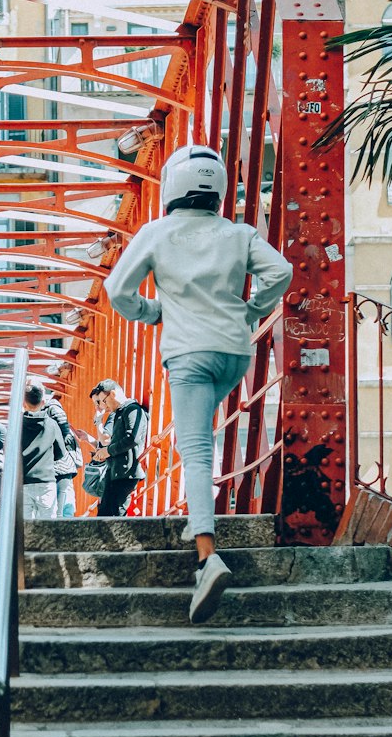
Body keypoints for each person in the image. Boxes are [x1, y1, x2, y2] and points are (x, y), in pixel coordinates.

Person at [105, 142, 293, 624]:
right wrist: (251, 311)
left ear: (172, 186)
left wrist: (152, 312)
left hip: (189, 353)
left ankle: (207, 557)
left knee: (195, 451)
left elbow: (117, 291)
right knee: (203, 434)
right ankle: (203, 536)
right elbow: (281, 271)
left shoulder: (157, 232)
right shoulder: (238, 233)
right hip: (233, 352)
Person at [89, 379, 148, 518]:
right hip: (117, 471)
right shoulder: (121, 412)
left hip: (126, 473)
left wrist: (107, 451)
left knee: (114, 515)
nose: (104, 406)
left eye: (103, 401)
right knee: (105, 514)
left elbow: (132, 438)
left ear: (113, 394)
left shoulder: (132, 409)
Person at [20, 381, 67, 521]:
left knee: (25, 527)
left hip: (23, 482)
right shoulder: (51, 424)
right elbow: (61, 453)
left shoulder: (16, 425)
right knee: (48, 527)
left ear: (23, 403)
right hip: (46, 482)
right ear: (43, 402)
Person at [42, 391, 82, 518]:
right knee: (65, 502)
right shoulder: (51, 409)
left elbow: (65, 434)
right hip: (63, 465)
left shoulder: (52, 408)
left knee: (62, 504)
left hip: (60, 465)